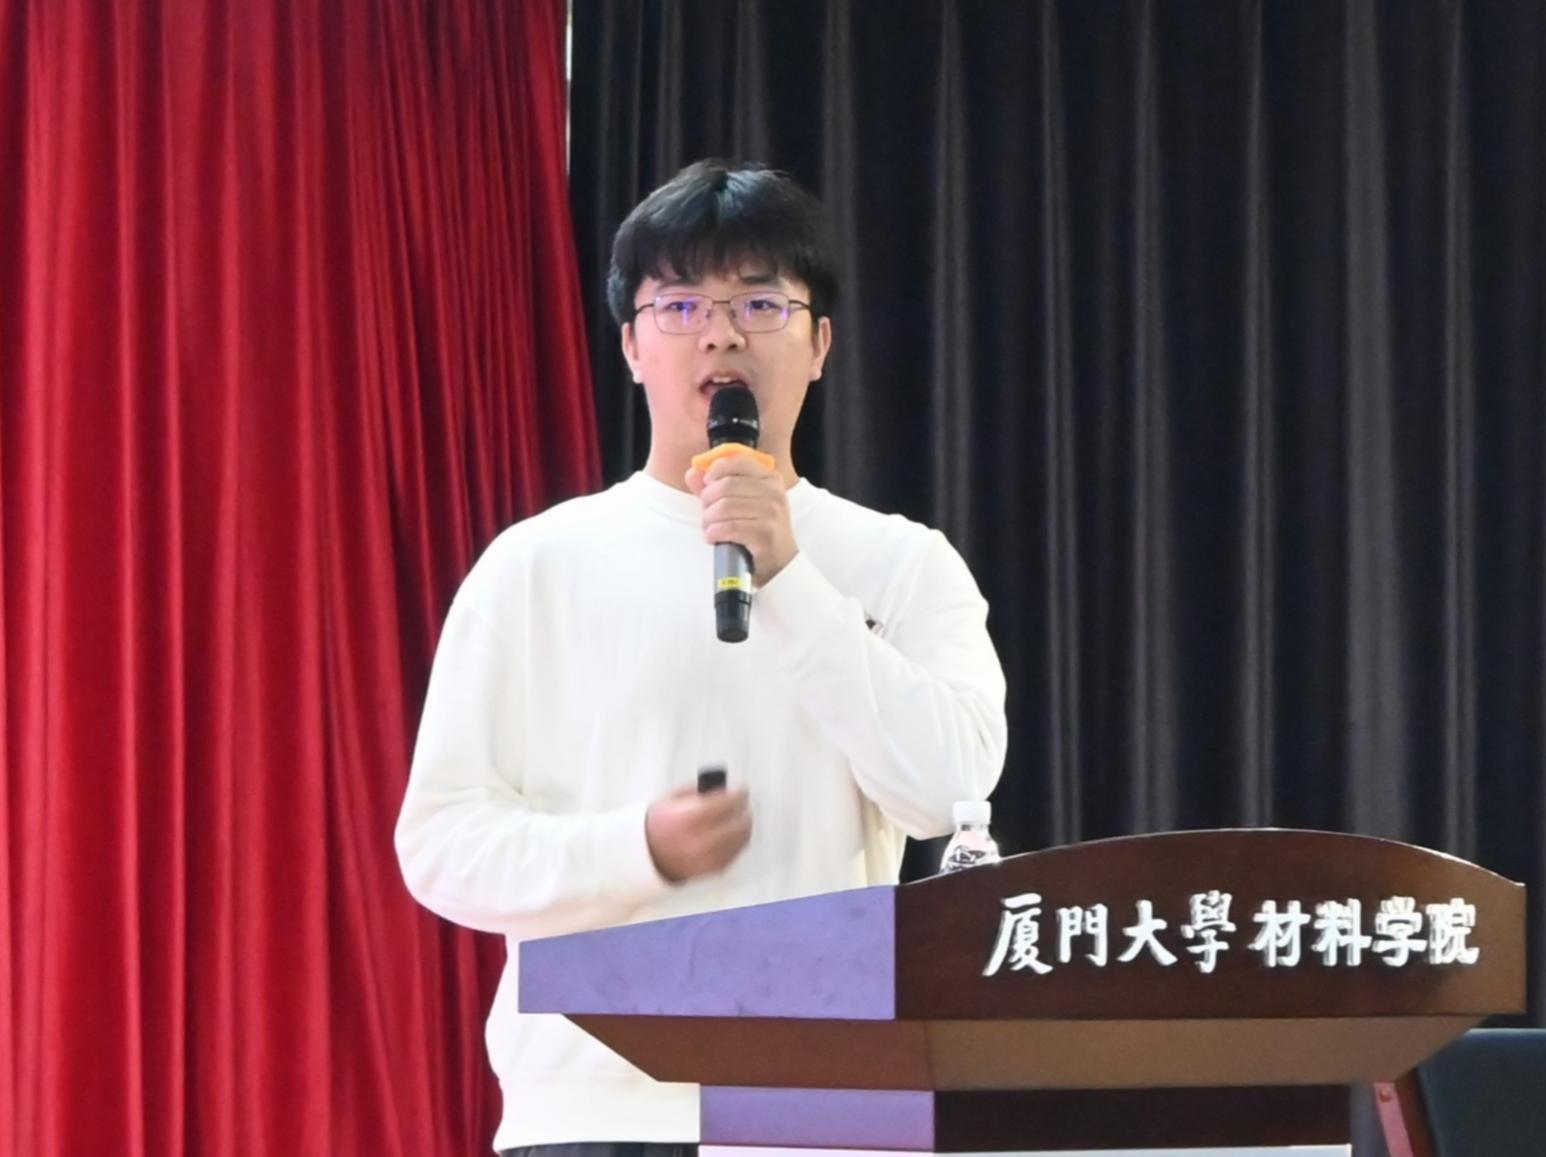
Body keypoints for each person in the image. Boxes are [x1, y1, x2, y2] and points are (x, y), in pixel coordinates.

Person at [395, 159, 1008, 1157]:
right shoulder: (536, 565)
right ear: (632, 346)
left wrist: (792, 579)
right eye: (680, 304)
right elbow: (441, 846)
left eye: (760, 302)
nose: (720, 333)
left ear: (819, 344)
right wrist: (635, 846)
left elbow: (950, 793)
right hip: (593, 1110)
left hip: (822, 1103)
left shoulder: (902, 562)